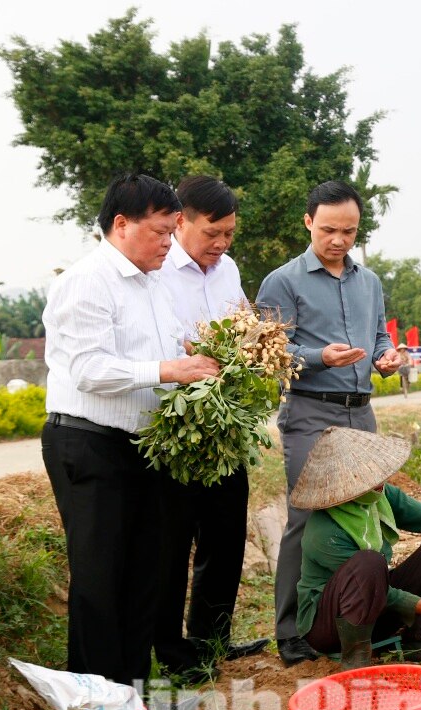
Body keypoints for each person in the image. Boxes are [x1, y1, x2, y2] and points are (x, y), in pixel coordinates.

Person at [41, 173, 220, 687]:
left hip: (142, 446)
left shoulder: (154, 284)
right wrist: (168, 371)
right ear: (122, 225)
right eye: (162, 232)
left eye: (173, 231)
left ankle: (131, 694)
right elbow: (89, 370)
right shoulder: (86, 281)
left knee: (146, 575)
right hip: (88, 443)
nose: (169, 243)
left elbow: (170, 352)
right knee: (100, 580)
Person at [256, 181, 404, 666]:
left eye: (349, 231)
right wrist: (320, 356)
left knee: (368, 513)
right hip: (310, 412)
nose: (339, 240)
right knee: (308, 517)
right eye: (328, 230)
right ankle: (293, 630)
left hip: (360, 410)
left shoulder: (370, 282)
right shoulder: (282, 281)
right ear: (308, 223)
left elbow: (380, 335)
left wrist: (386, 357)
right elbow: (269, 352)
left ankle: (359, 621)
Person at [155, 175, 268, 682]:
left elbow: (242, 320)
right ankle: (171, 650)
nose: (221, 245)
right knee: (175, 541)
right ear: (182, 221)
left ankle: (212, 641)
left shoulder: (227, 270)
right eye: (212, 234)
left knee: (226, 536)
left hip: (223, 424)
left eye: (229, 235)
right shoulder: (157, 270)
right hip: (178, 422)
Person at [290, 426, 421, 669]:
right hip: (330, 626)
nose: (379, 482)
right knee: (369, 562)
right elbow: (377, 590)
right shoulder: (323, 531)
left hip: (377, 605)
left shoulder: (380, 496)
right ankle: (356, 660)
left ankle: (417, 641)